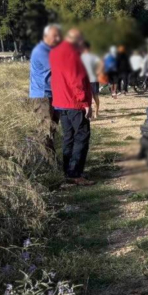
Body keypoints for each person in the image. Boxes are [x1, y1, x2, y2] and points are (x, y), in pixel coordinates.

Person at [50, 28, 94, 186]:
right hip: (74, 102)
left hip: (60, 101)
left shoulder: (55, 52)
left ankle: (67, 171)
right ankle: (75, 173)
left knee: (68, 137)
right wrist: (85, 103)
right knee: (81, 136)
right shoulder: (74, 55)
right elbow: (78, 80)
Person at [29, 24, 62, 151]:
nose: (58, 38)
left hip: (51, 94)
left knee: (52, 128)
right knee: (45, 129)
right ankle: (45, 160)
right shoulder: (41, 51)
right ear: (46, 36)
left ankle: (51, 159)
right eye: (55, 36)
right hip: (42, 95)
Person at [80, 41, 102, 119]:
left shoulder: (81, 57)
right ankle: (96, 113)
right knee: (95, 96)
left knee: (88, 97)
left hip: (86, 79)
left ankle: (90, 114)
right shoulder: (93, 56)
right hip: (92, 78)